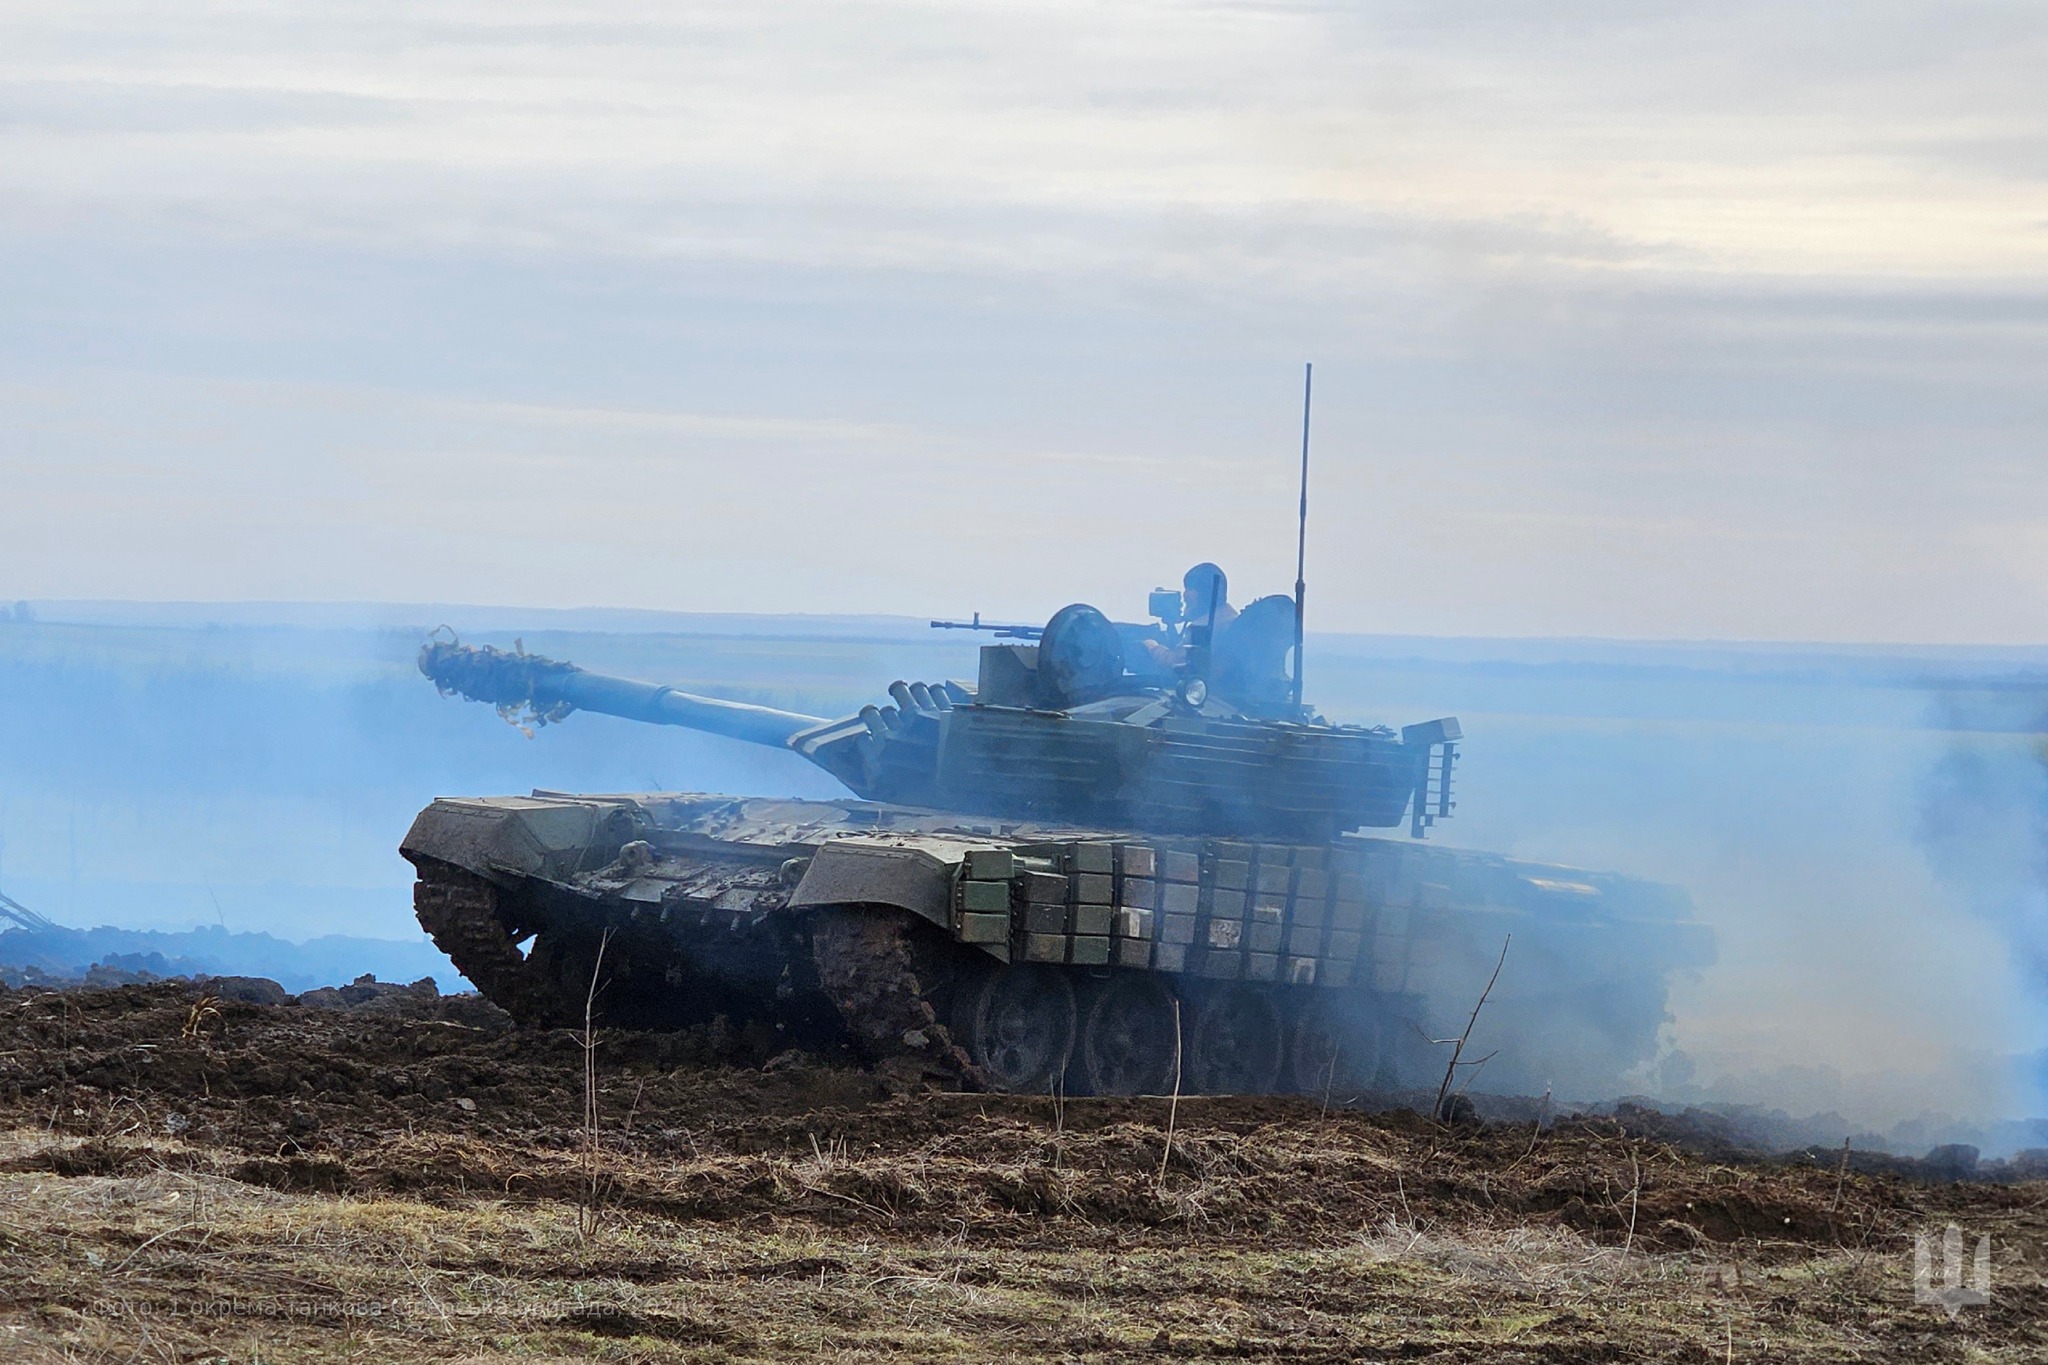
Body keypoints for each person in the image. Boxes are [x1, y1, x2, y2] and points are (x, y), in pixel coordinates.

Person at [1144, 562, 1238, 669]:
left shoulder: (1202, 629)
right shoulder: (1229, 618)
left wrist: (1151, 646)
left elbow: (1176, 662)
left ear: (1204, 592)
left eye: (1190, 588)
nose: (1185, 595)